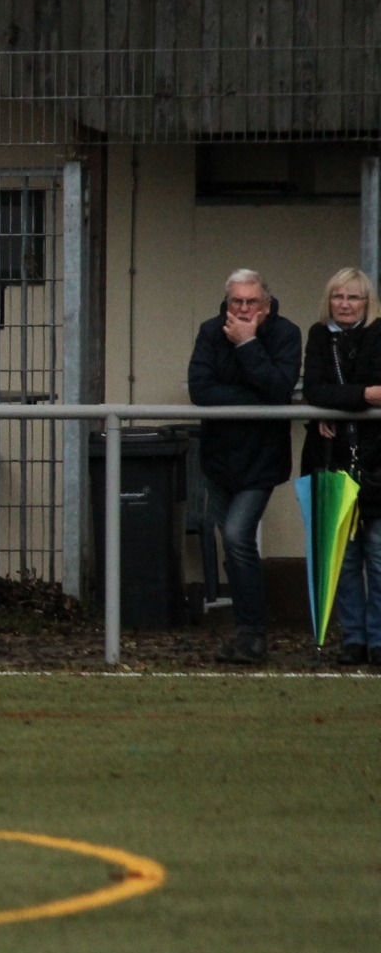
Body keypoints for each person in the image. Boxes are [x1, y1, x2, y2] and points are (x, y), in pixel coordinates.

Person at [188, 268, 304, 665]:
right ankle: (246, 635)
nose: (242, 308)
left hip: (262, 460)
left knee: (238, 537)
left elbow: (279, 389)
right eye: (236, 301)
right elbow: (200, 391)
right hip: (218, 459)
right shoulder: (209, 331)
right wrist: (255, 395)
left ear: (266, 305)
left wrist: (248, 344)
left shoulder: (286, 334)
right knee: (234, 546)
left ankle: (253, 633)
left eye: (251, 301)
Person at [299, 267, 381, 664]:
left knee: (378, 557)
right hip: (332, 461)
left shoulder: (379, 335)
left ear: (368, 303)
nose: (344, 304)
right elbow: (315, 389)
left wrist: (337, 401)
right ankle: (353, 640)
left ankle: (378, 640)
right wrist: (358, 397)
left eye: (353, 297)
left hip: (376, 460)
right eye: (338, 296)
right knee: (344, 559)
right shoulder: (319, 335)